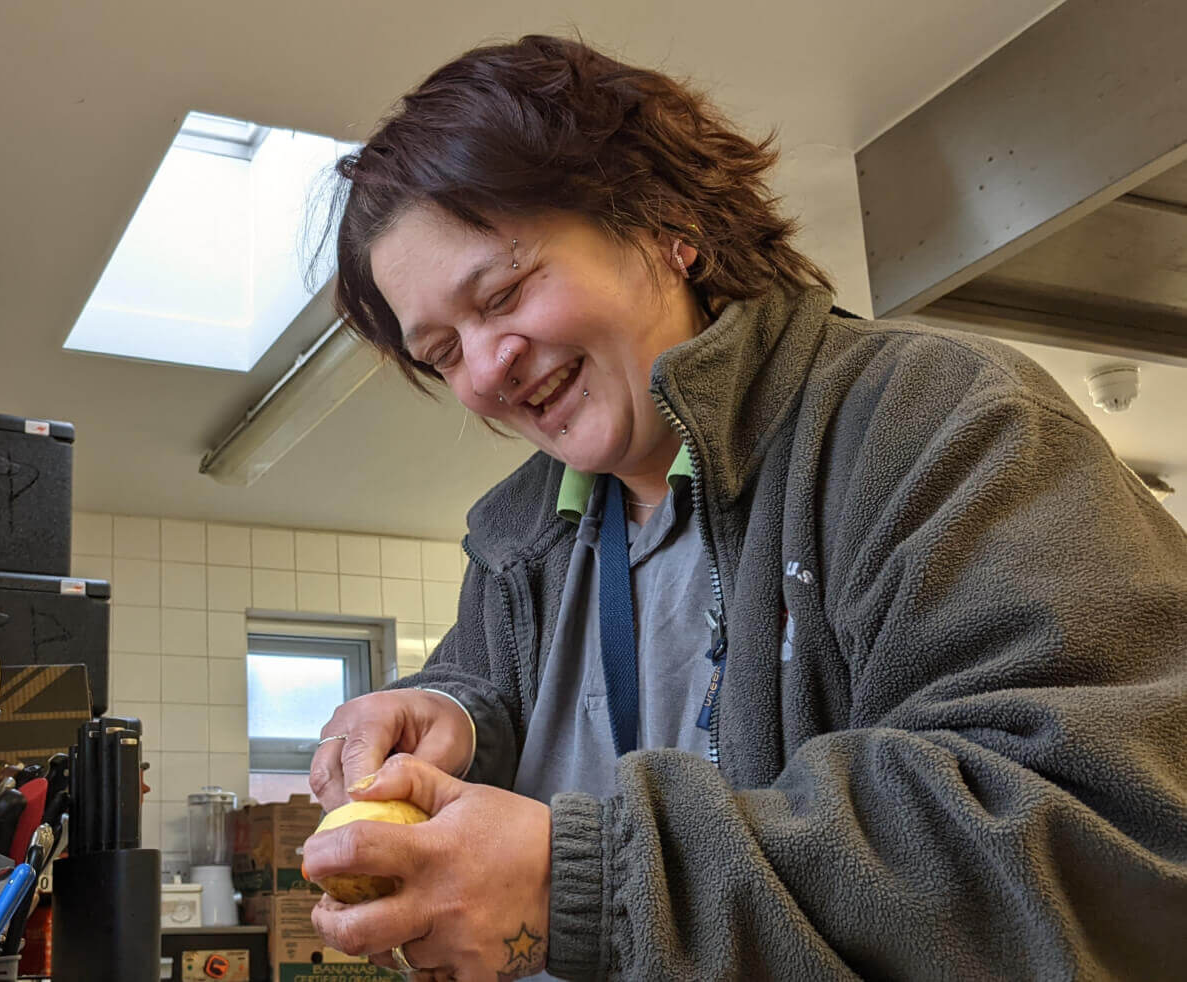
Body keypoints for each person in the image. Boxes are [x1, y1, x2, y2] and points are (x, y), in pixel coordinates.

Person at [300, 34, 1187, 982]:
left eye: (507, 290)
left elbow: (1102, 833)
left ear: (664, 221)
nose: (485, 370)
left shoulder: (936, 420)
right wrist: (451, 712)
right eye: (441, 352)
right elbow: (497, 686)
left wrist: (590, 884)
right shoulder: (519, 536)